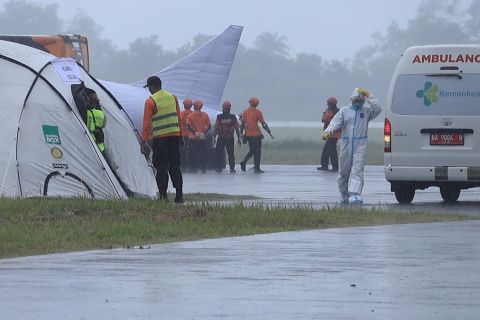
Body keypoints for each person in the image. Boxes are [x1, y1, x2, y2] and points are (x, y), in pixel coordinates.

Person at [324, 88, 381, 204]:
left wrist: (369, 95)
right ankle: (343, 192)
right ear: (351, 99)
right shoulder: (344, 111)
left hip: (360, 145)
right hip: (346, 145)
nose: (357, 103)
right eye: (355, 100)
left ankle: (355, 194)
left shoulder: (366, 111)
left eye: (360, 100)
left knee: (357, 169)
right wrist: (328, 131)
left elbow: (378, 108)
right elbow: (335, 123)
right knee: (344, 170)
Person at [140, 76, 184, 203]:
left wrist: (143, 141)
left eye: (149, 87)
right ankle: (179, 195)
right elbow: (179, 118)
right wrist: (180, 135)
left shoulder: (150, 102)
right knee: (175, 166)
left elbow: (147, 124)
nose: (149, 90)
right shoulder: (173, 97)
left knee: (161, 167)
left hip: (161, 139)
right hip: (174, 137)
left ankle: (163, 196)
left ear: (153, 86)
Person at [239, 97, 273, 174]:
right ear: (257, 104)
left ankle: (244, 162)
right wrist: (269, 132)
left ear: (250, 103)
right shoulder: (258, 112)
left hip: (248, 135)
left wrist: (241, 134)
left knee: (252, 150)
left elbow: (242, 124)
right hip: (256, 135)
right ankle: (256, 168)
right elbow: (263, 123)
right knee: (257, 152)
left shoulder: (245, 112)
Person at [214, 100, 241, 173]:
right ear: (230, 108)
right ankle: (232, 169)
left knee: (219, 153)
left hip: (221, 138)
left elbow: (216, 128)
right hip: (229, 138)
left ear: (223, 107)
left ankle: (219, 168)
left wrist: (214, 138)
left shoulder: (219, 117)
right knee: (231, 154)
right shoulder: (233, 117)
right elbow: (237, 128)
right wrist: (239, 138)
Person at [186, 99, 211, 173]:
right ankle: (203, 168)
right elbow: (209, 126)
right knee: (203, 153)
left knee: (192, 153)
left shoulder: (190, 115)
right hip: (202, 137)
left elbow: (188, 125)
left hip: (193, 137)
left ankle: (193, 168)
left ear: (194, 106)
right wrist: (204, 133)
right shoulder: (205, 115)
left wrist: (195, 133)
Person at [318, 97, 340, 171]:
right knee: (327, 150)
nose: (328, 105)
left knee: (331, 151)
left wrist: (326, 113)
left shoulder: (336, 112)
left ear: (332, 104)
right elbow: (323, 120)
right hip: (329, 134)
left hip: (334, 135)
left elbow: (326, 119)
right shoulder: (330, 111)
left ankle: (334, 167)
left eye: (329, 103)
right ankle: (325, 166)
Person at [85, 88, 106, 153]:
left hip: (91, 144)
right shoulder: (102, 113)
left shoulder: (88, 112)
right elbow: (103, 125)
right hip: (101, 145)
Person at [179, 98, 193, 171]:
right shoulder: (193, 114)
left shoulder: (180, 113)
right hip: (191, 136)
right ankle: (190, 166)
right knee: (191, 151)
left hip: (182, 134)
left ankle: (182, 166)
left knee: (182, 151)